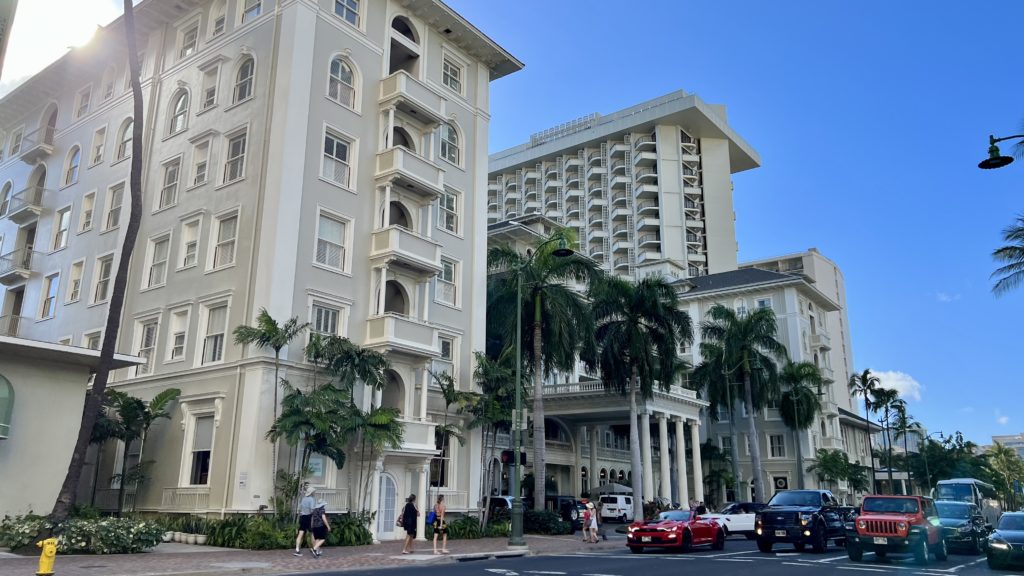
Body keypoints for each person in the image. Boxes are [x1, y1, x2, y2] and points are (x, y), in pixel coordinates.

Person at [294, 485, 316, 556]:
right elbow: (312, 509)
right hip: (309, 517)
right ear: (312, 493)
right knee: (312, 534)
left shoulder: (303, 499)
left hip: (302, 517)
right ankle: (315, 549)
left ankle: (297, 549)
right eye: (313, 492)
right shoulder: (311, 499)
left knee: (300, 533)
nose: (314, 493)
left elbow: (300, 509)